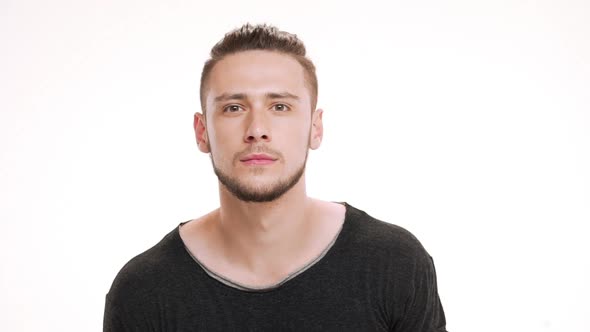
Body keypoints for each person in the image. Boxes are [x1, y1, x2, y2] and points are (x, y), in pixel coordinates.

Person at [104, 23, 447, 331]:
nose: (257, 130)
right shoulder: (145, 290)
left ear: (315, 128)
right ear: (202, 131)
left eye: (280, 106)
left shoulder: (393, 264)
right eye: (233, 108)